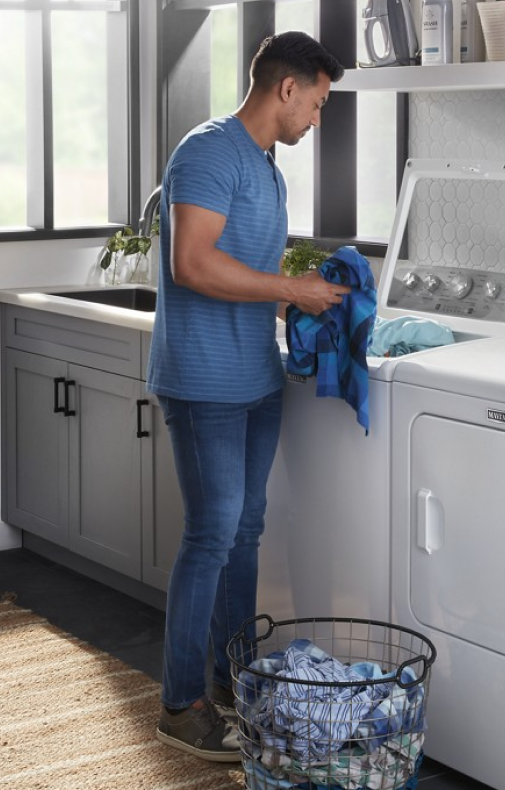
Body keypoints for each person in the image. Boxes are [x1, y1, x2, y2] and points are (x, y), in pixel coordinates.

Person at [146, 31, 350, 762]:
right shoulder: (206, 152)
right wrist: (292, 288)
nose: (317, 120)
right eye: (319, 104)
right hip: (202, 380)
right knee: (211, 534)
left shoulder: (266, 169)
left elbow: (248, 268)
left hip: (255, 378)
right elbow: (194, 263)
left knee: (245, 532)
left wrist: (302, 300)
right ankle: (181, 703)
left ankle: (235, 683)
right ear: (286, 88)